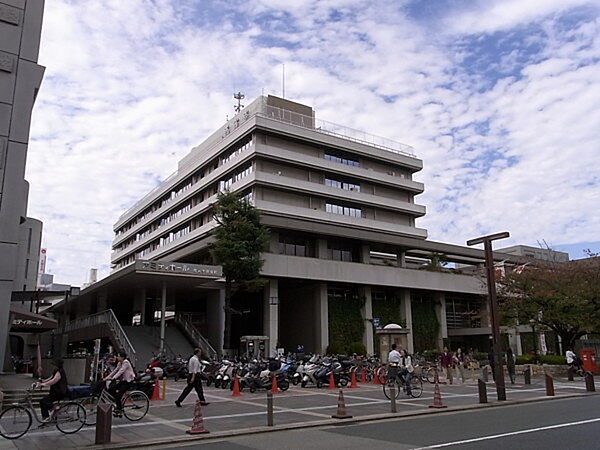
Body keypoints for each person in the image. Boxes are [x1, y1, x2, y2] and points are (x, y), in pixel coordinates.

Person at [37, 358, 68, 424]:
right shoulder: (56, 371)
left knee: (44, 401)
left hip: (59, 393)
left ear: (58, 365)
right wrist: (43, 381)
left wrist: (43, 384)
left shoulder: (60, 372)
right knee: (43, 402)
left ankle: (55, 408)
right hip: (55, 392)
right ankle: (46, 418)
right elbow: (51, 378)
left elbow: (53, 381)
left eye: (54, 365)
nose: (53, 366)